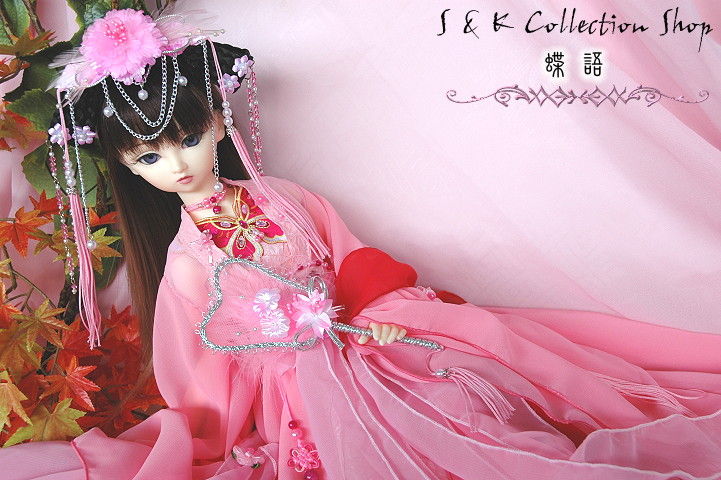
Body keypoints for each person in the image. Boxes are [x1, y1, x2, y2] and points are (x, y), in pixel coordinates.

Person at [2, 6, 721, 480]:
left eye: (189, 137)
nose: (178, 163)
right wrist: (236, 412)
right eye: (150, 157)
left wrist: (377, 311)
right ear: (130, 170)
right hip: (294, 387)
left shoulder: (284, 197)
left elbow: (347, 258)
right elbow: (201, 376)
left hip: (368, 336)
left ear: (218, 124)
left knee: (466, 398)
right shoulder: (190, 262)